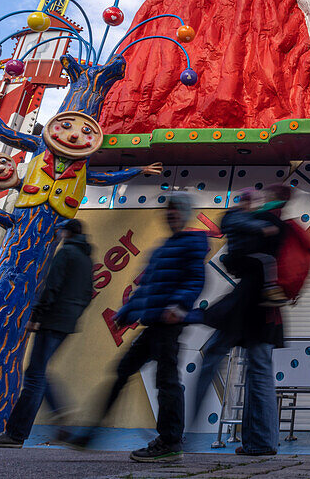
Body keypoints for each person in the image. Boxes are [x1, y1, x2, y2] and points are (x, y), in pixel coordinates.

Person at [68, 192, 208, 463]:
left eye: (176, 211)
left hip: (168, 325)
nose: (171, 215)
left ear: (185, 214)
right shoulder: (162, 248)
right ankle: (90, 433)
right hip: (153, 323)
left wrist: (178, 306)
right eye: (168, 210)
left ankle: (169, 441)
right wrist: (127, 312)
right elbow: (146, 289)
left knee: (167, 382)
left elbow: (195, 280)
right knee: (123, 371)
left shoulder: (192, 244)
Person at [192, 183, 290, 456]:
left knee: (242, 367)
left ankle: (258, 442)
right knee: (258, 373)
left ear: (275, 199)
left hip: (250, 305)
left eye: (266, 195)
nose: (261, 199)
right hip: (266, 309)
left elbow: (235, 256)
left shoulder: (267, 220)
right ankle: (258, 442)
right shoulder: (276, 224)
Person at [0, 219, 93, 448]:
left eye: (61, 231)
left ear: (66, 233)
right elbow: (87, 293)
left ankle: (15, 433)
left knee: (33, 376)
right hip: (67, 322)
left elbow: (51, 287)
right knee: (39, 372)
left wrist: (37, 316)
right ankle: (59, 412)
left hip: (51, 319)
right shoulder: (86, 259)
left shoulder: (66, 253)